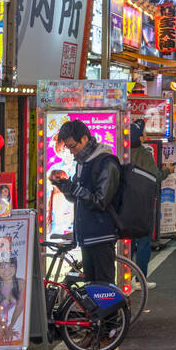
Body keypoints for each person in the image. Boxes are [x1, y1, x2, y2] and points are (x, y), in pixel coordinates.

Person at [51, 120, 121, 285]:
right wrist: (65, 188)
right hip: (86, 236)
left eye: (72, 146)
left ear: (84, 139)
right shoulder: (82, 163)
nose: (71, 152)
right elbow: (78, 200)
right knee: (91, 289)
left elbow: (101, 200)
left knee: (104, 291)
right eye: (68, 148)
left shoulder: (106, 162)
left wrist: (75, 189)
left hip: (102, 236)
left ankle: (111, 312)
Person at [129, 119, 171, 286]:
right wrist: (168, 170)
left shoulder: (121, 150)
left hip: (123, 205)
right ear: (140, 138)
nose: (146, 135)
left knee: (128, 242)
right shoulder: (144, 154)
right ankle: (140, 279)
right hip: (142, 204)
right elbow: (155, 177)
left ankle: (125, 276)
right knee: (144, 242)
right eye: (144, 133)